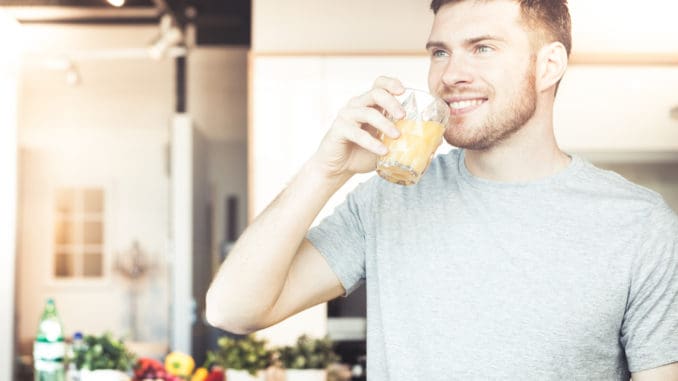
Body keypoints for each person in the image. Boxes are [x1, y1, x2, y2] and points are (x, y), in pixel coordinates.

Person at [206, 0, 678, 379]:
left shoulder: (639, 225)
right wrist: (326, 170)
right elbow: (233, 309)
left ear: (549, 65)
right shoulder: (389, 197)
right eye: (440, 52)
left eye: (483, 48)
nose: (450, 75)